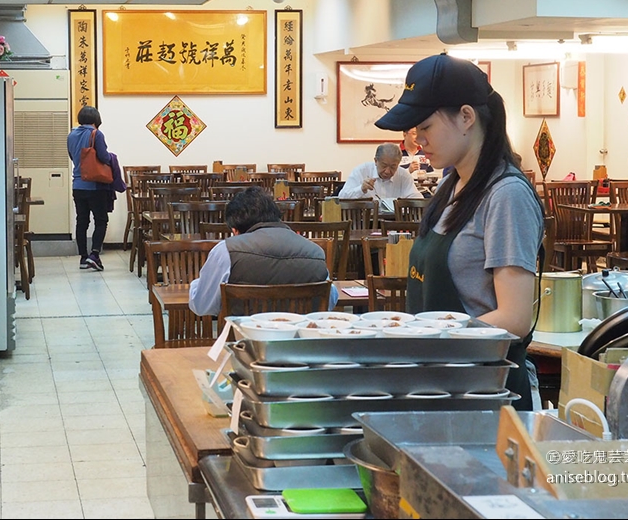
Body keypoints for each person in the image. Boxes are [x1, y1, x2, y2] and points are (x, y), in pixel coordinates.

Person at [375, 54, 544, 411]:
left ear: (466, 117)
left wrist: (429, 340)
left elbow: (514, 319)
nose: (418, 140)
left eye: (426, 127)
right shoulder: (452, 185)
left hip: (482, 392)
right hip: (440, 381)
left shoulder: (505, 195)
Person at [189, 187, 339, 316]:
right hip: (300, 345)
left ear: (235, 230)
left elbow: (202, 306)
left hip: (243, 345)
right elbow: (329, 301)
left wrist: (196, 284)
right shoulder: (315, 252)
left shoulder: (227, 251)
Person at [67, 105, 112, 271]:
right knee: (101, 220)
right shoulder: (96, 134)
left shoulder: (71, 135)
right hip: (94, 185)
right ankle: (94, 254)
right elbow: (104, 157)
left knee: (82, 221)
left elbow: (73, 157)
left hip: (77, 185)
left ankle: (83, 257)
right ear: (96, 120)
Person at [337, 142, 423, 201]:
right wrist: (361, 189)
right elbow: (341, 198)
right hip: (365, 222)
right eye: (384, 166)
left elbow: (417, 199)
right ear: (375, 161)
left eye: (393, 166)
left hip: (395, 222)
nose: (387, 171)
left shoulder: (403, 176)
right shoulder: (361, 171)